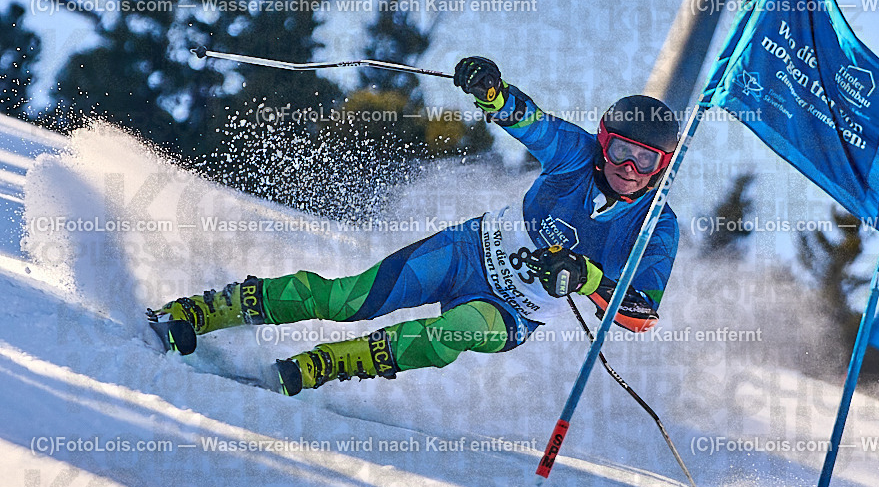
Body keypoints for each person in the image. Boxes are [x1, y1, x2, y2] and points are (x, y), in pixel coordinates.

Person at [148, 57, 681, 396]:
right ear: (603, 139)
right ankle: (203, 311)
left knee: (450, 336)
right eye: (619, 149)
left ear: (664, 165)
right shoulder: (576, 156)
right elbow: (531, 122)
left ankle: (323, 366)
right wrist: (494, 94)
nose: (627, 168)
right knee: (348, 301)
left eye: (645, 160)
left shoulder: (656, 228)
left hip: (511, 310)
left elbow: (641, 314)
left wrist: (586, 277)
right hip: (468, 251)